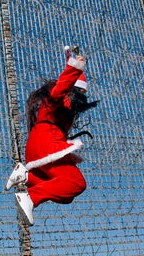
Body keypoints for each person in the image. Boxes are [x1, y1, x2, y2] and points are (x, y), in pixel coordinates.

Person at [5, 47, 98, 225]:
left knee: (66, 194)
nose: (83, 97)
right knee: (76, 183)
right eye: (81, 92)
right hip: (46, 144)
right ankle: (30, 197)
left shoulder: (63, 109)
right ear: (74, 89)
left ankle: (25, 175)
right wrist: (74, 68)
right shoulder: (57, 97)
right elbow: (60, 87)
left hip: (39, 145)